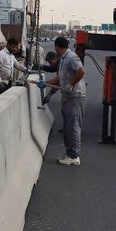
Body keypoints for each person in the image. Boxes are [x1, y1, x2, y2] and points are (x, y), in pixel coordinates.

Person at [39, 36, 86, 166]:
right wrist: (46, 83)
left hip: (75, 96)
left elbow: (81, 71)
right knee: (68, 127)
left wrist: (71, 84)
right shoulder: (63, 59)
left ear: (57, 47)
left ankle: (74, 156)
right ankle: (69, 153)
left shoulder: (71, 57)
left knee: (73, 127)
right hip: (68, 97)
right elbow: (60, 79)